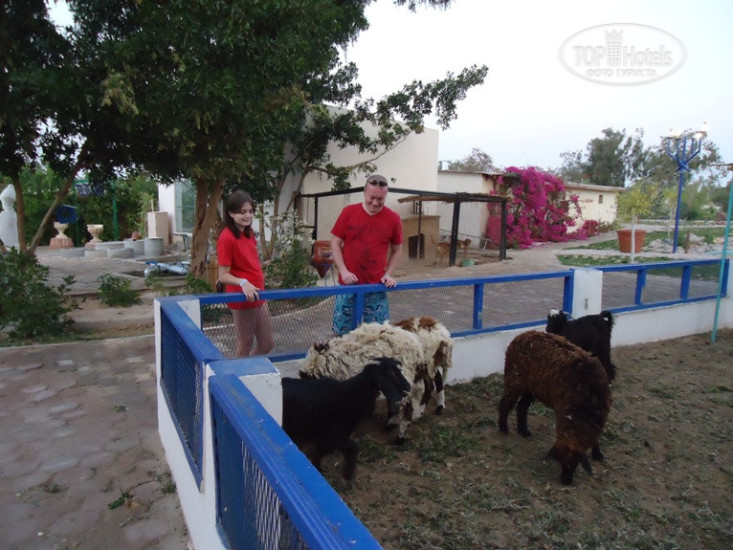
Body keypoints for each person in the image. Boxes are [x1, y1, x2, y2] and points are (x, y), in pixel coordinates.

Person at [330, 174, 403, 335]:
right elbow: (335, 243)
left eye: (380, 199)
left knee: (380, 334)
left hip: (376, 286)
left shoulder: (393, 218)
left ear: (386, 196)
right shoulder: (348, 212)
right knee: (342, 334)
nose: (375, 203)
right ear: (364, 193)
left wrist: (388, 274)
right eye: (372, 198)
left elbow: (397, 250)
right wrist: (343, 270)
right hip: (348, 285)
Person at [217, 190, 274, 357]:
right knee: (245, 343)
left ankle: (249, 367)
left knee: (267, 343)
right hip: (242, 297)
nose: (248, 216)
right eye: (242, 212)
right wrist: (243, 282)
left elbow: (247, 261)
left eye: (250, 211)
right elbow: (223, 275)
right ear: (231, 213)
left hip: (258, 293)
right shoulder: (226, 238)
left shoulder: (248, 233)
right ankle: (239, 372)